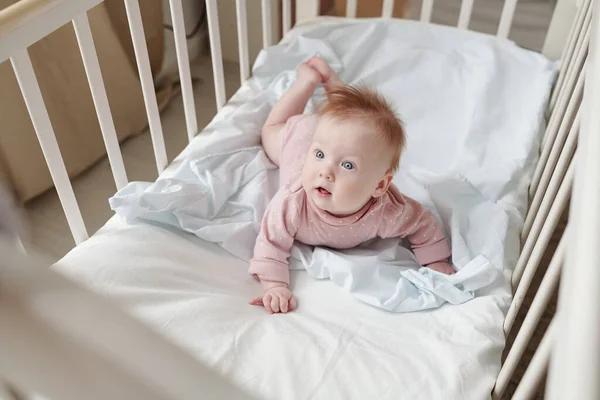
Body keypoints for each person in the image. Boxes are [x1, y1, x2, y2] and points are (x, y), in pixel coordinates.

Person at [249, 57, 454, 314]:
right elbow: (271, 242)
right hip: (300, 141)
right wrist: (274, 285)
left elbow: (423, 223)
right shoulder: (293, 201)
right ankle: (307, 82)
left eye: (347, 166)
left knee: (352, 119)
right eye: (321, 157)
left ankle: (334, 90)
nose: (325, 172)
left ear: (379, 185)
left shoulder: (388, 211)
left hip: (330, 135)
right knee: (271, 130)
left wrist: (435, 261)